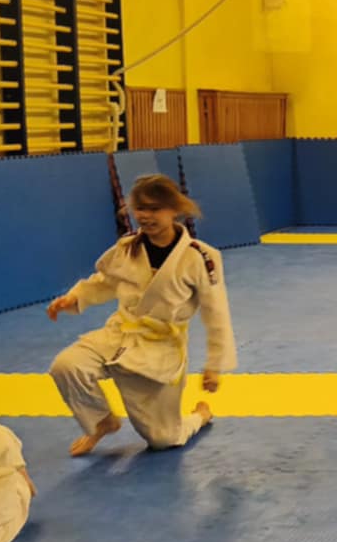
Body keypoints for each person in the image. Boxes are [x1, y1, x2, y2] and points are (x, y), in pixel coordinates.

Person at [47, 174, 234, 457]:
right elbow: (107, 281)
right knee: (66, 366)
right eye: (141, 209)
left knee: (164, 439)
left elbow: (216, 313)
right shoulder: (128, 247)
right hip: (119, 335)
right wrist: (75, 297)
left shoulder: (199, 257)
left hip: (159, 350)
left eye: (155, 208)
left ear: (175, 209)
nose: (146, 216)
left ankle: (200, 416)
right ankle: (102, 422)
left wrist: (214, 365)